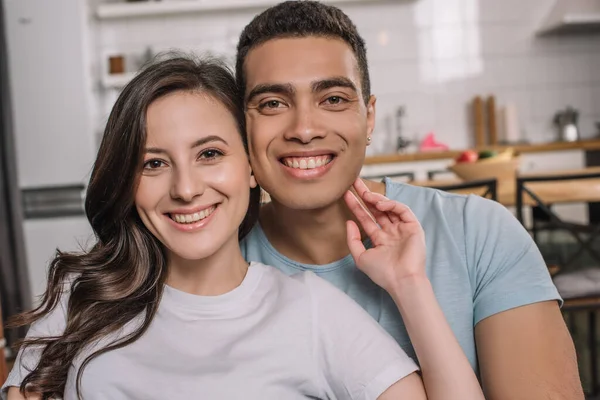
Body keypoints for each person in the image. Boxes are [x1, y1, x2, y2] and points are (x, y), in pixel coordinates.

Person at [2, 55, 484, 400]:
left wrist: (409, 284)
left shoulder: (310, 311)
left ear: (251, 167)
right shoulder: (81, 296)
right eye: (153, 163)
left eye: (209, 154)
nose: (186, 188)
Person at [236, 1, 584, 398]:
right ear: (241, 127)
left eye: (333, 99)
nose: (304, 129)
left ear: (368, 118)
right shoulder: (213, 265)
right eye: (272, 104)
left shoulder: (480, 234)